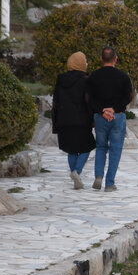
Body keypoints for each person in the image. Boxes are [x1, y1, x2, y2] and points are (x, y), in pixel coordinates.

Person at [85, 46, 134, 192]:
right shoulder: (124, 77)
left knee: (101, 147)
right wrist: (114, 108)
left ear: (101, 59)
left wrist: (102, 110)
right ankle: (110, 183)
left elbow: (89, 98)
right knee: (115, 149)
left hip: (100, 117)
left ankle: (98, 176)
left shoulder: (93, 76)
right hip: (117, 116)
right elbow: (128, 96)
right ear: (115, 59)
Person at [51, 51, 96, 190]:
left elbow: (55, 102)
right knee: (86, 148)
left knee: (71, 150)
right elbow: (89, 101)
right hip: (82, 120)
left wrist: (55, 122)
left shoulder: (60, 80)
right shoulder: (86, 80)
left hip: (64, 120)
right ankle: (77, 172)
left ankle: (75, 176)